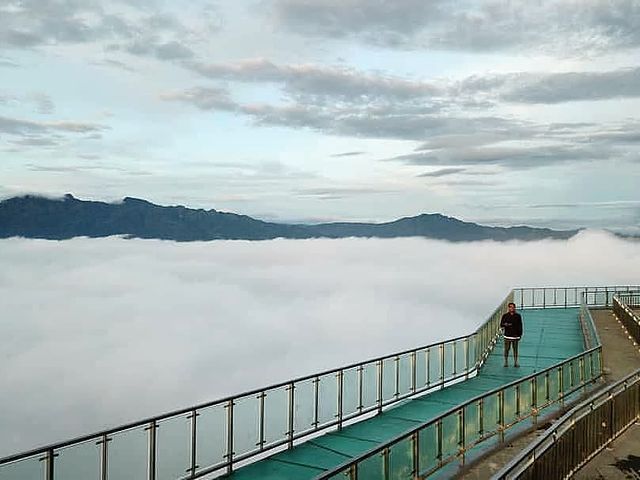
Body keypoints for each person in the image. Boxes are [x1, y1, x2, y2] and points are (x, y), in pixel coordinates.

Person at [500, 302, 523, 367]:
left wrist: (520, 334)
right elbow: (501, 324)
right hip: (507, 336)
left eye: (513, 307)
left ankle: (515, 362)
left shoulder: (518, 316)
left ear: (514, 308)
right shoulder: (505, 316)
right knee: (506, 349)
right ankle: (506, 362)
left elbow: (520, 325)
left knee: (515, 350)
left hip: (515, 336)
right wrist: (506, 325)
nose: (512, 308)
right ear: (508, 308)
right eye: (510, 307)